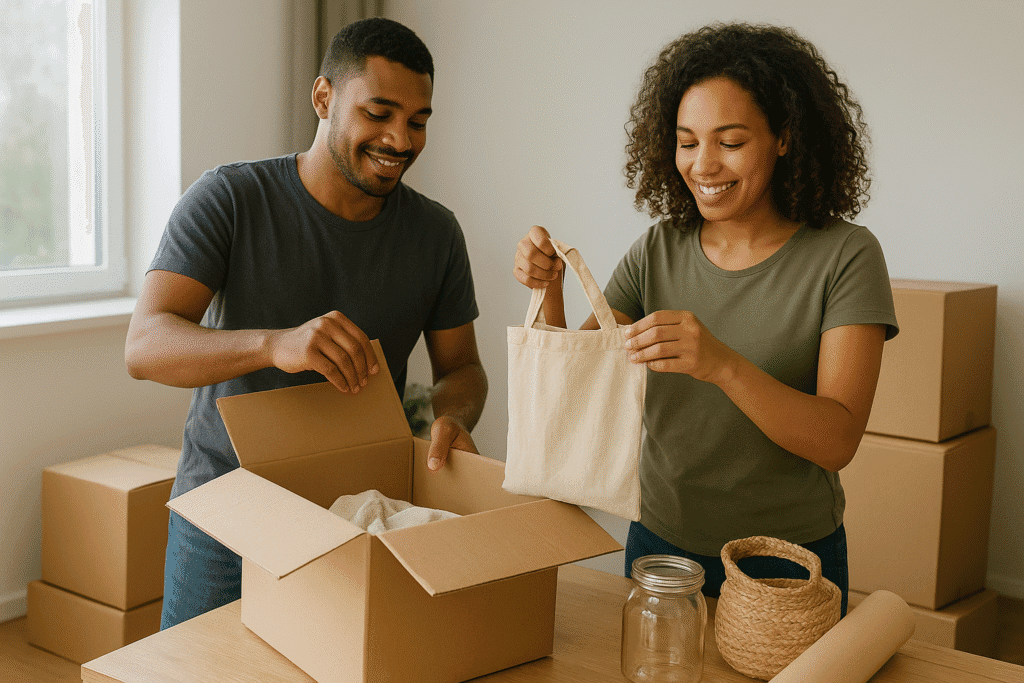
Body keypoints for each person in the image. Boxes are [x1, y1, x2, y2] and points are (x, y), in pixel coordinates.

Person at [512, 22, 898, 616]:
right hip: (661, 545)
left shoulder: (846, 255)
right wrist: (550, 288)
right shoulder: (658, 249)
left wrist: (720, 364)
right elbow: (582, 378)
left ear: (785, 138)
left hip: (786, 561)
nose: (703, 165)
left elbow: (837, 439)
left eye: (731, 141)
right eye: (687, 141)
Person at [125, 17, 487, 630]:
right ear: (323, 98)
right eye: (379, 113)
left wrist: (452, 417)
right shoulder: (230, 198)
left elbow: (462, 369)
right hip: (227, 508)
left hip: (354, 513)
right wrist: (274, 344)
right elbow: (146, 345)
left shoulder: (437, 234)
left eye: (418, 120)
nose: (400, 139)